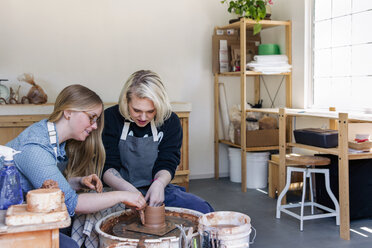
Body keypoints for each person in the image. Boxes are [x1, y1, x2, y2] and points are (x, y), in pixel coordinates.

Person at [6, 84, 147, 248]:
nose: (94, 126)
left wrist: (78, 182)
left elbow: (46, 186)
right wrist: (122, 195)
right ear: (68, 112)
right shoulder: (35, 147)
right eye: (91, 117)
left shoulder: (53, 139)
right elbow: (73, 204)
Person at [102, 70, 214, 214]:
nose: (143, 117)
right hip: (117, 190)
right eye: (136, 110)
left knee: (203, 210)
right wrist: (128, 193)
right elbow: (107, 166)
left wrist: (159, 184)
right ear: (126, 101)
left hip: (155, 188)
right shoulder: (111, 118)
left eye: (150, 111)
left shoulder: (170, 121)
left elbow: (168, 161)